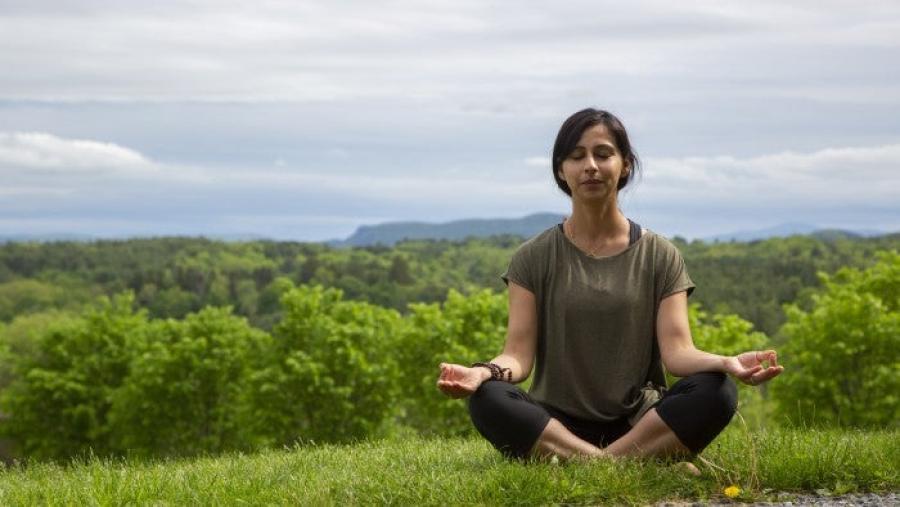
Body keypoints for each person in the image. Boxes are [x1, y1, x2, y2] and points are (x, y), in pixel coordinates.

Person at [436, 108, 784, 465]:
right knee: (487, 398)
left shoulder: (659, 255)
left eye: (603, 154)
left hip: (640, 422)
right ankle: (626, 464)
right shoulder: (533, 257)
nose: (590, 166)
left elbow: (678, 353)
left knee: (717, 390)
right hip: (556, 425)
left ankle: (587, 464)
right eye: (576, 156)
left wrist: (728, 363)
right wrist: (481, 373)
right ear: (561, 170)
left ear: (625, 165)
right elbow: (518, 358)